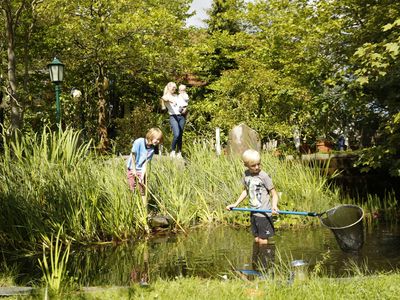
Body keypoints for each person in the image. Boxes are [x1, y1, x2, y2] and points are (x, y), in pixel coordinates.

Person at [226, 149, 279, 244]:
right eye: (253, 165)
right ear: (246, 165)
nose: (257, 167)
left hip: (264, 214)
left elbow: (274, 194)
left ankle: (265, 258)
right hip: (253, 212)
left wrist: (274, 206)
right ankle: (256, 259)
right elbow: (246, 191)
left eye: (259, 164)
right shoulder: (246, 175)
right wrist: (235, 204)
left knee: (263, 240)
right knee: (256, 238)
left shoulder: (264, 176)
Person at [126, 128, 163, 204]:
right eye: (157, 139)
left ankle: (144, 209)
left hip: (140, 169)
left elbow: (145, 163)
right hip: (132, 168)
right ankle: (131, 206)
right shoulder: (139, 141)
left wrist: (142, 176)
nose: (158, 141)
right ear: (151, 136)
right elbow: (133, 156)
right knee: (132, 188)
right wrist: (134, 170)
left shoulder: (152, 150)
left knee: (142, 189)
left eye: (159, 140)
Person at [162, 82, 187, 158]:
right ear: (169, 87)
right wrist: (171, 100)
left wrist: (185, 109)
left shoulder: (177, 96)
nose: (174, 89)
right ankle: (173, 150)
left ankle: (179, 152)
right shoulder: (165, 96)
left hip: (181, 117)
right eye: (173, 87)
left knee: (180, 135)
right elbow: (164, 99)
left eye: (175, 88)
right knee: (176, 134)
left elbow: (185, 105)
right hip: (173, 117)